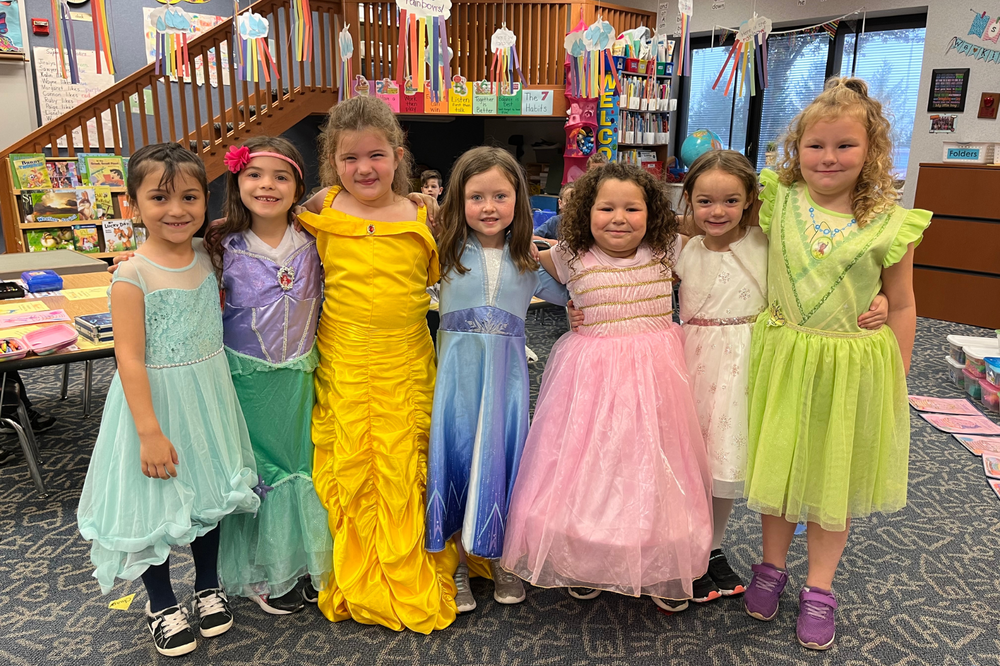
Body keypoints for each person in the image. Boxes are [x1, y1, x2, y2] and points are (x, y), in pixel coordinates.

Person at [741, 78, 931, 651]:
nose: (829, 157)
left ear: (871, 151)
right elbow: (717, 226)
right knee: (780, 469)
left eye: (845, 145)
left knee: (833, 480)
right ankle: (771, 566)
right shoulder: (778, 198)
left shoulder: (891, 222)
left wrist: (896, 377)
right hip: (785, 358)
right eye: (816, 145)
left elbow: (902, 302)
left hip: (850, 367)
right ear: (797, 147)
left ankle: (820, 587)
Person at [674, 150, 889, 604]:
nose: (717, 211)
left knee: (726, 459)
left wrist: (882, 295)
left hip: (753, 363)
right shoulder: (680, 248)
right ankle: (685, 546)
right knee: (689, 459)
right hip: (691, 362)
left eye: (731, 201)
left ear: (751, 200)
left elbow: (828, 270)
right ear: (688, 199)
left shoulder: (767, 241)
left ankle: (712, 547)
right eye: (705, 201)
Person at [500, 162, 712, 612]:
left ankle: (660, 563)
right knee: (591, 468)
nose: (619, 218)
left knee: (656, 467)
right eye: (606, 208)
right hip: (590, 379)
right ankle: (587, 559)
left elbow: (721, 230)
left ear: (652, 213)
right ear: (586, 212)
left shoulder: (668, 249)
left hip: (657, 378)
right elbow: (517, 253)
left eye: (633, 208)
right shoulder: (569, 255)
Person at [76, 143, 260, 658]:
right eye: (159, 198)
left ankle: (207, 586)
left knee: (210, 491)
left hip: (208, 395)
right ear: (133, 204)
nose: (176, 210)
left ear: (206, 200)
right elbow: (129, 359)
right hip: (154, 403)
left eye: (189, 197)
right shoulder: (130, 275)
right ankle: (160, 603)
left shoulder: (210, 253)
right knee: (153, 502)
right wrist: (149, 431)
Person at [297, 96, 457, 633]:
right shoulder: (321, 207)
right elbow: (266, 238)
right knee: (353, 462)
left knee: (407, 456)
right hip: (343, 358)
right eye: (350, 158)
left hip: (406, 357)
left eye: (376, 155)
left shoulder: (422, 213)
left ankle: (420, 555)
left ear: (397, 155)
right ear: (332, 162)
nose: (364, 168)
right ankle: (357, 566)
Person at [425, 147, 568, 613]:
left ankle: (504, 560)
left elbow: (572, 294)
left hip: (506, 385)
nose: (489, 207)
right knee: (458, 457)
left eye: (500, 196)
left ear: (518, 200)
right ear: (458, 200)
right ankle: (459, 565)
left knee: (505, 461)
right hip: (457, 383)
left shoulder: (528, 258)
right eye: (476, 197)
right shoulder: (443, 253)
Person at [202, 136, 333, 615]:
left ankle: (302, 560)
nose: (267, 186)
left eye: (280, 177)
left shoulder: (316, 238)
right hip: (246, 381)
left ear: (298, 186)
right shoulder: (220, 244)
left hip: (300, 376)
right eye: (254, 175)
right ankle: (263, 570)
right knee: (260, 471)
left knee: (302, 465)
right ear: (236, 182)